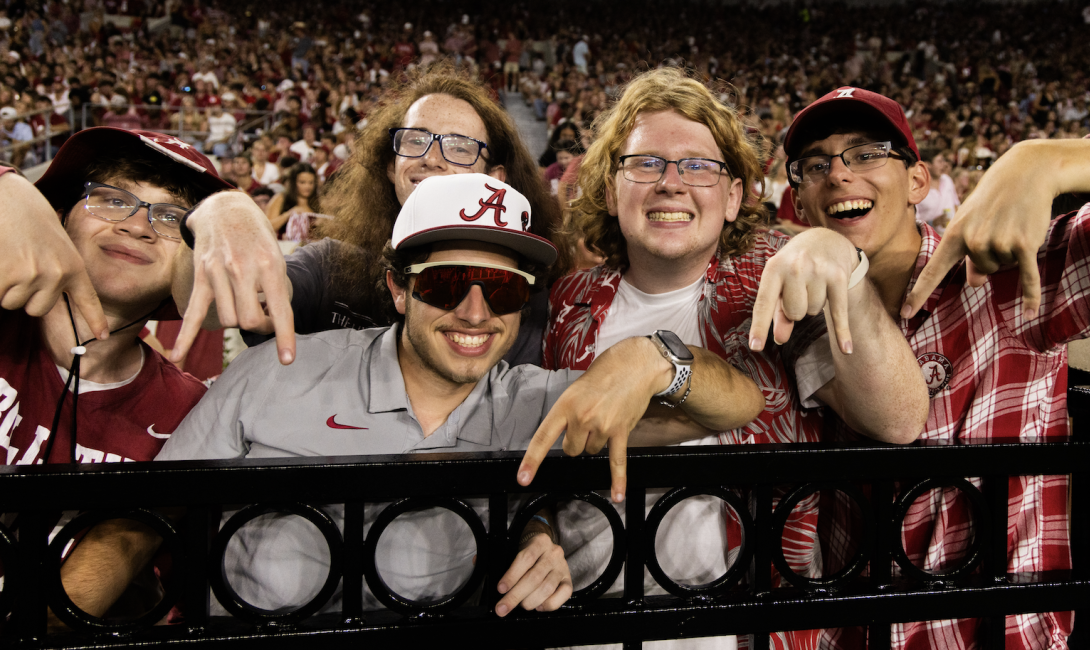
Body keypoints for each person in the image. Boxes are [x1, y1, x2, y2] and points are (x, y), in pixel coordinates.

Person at [159, 173, 766, 618]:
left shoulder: (529, 402)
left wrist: (656, 357)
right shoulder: (279, 372)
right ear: (399, 288)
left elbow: (740, 404)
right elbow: (143, 519)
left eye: (502, 290)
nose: (475, 313)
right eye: (447, 283)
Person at [760, 85, 1090, 650]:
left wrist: (1051, 160)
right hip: (850, 631)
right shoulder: (799, 307)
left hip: (993, 631)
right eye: (815, 164)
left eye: (867, 153)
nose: (839, 175)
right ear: (798, 199)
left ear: (919, 181)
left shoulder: (1011, 275)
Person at [544, 69, 929, 650]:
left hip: (750, 625)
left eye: (698, 166)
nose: (671, 183)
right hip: (585, 621)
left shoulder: (775, 281)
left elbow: (897, 417)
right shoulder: (568, 300)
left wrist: (839, 261)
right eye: (645, 163)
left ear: (732, 196)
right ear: (608, 189)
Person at [170, 67, 565, 370]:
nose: (432, 157)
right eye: (415, 140)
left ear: (494, 179)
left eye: (460, 146)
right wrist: (219, 211)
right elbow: (207, 309)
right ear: (392, 167)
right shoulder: (331, 268)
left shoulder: (525, 286)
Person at [0, 128, 232, 619]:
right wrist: (6, 183)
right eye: (110, 200)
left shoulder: (191, 414)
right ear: (58, 217)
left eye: (171, 218)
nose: (138, 226)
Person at [266, 163, 320, 235]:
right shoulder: (281, 198)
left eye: (311, 183)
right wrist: (288, 214)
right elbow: (267, 227)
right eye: (302, 182)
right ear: (293, 183)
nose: (307, 186)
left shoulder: (319, 201)